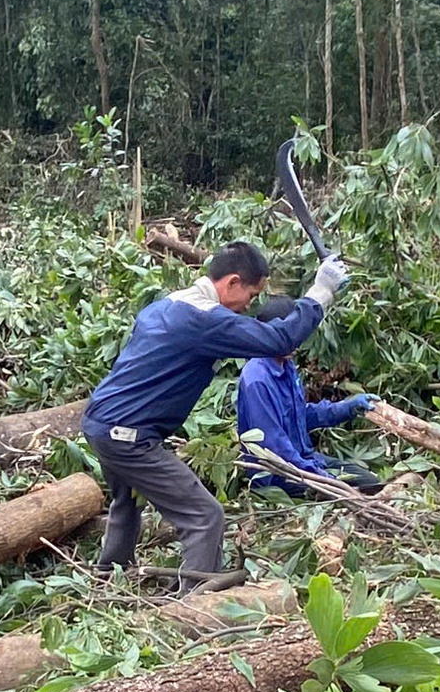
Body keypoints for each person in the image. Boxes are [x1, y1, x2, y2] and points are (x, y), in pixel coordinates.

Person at [83, 240, 347, 588]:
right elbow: (279, 340)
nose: (247, 306)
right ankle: (193, 607)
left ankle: (109, 580)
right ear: (233, 282)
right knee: (205, 516)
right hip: (128, 435)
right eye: (251, 296)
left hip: (101, 423)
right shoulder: (203, 319)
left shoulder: (169, 304)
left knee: (126, 501)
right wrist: (321, 291)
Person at [235, 300, 380, 496]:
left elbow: (302, 415)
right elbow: (275, 448)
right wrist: (322, 478)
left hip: (306, 459)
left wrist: (348, 407)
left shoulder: (286, 366)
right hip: (280, 475)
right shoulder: (257, 380)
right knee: (348, 494)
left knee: (371, 482)